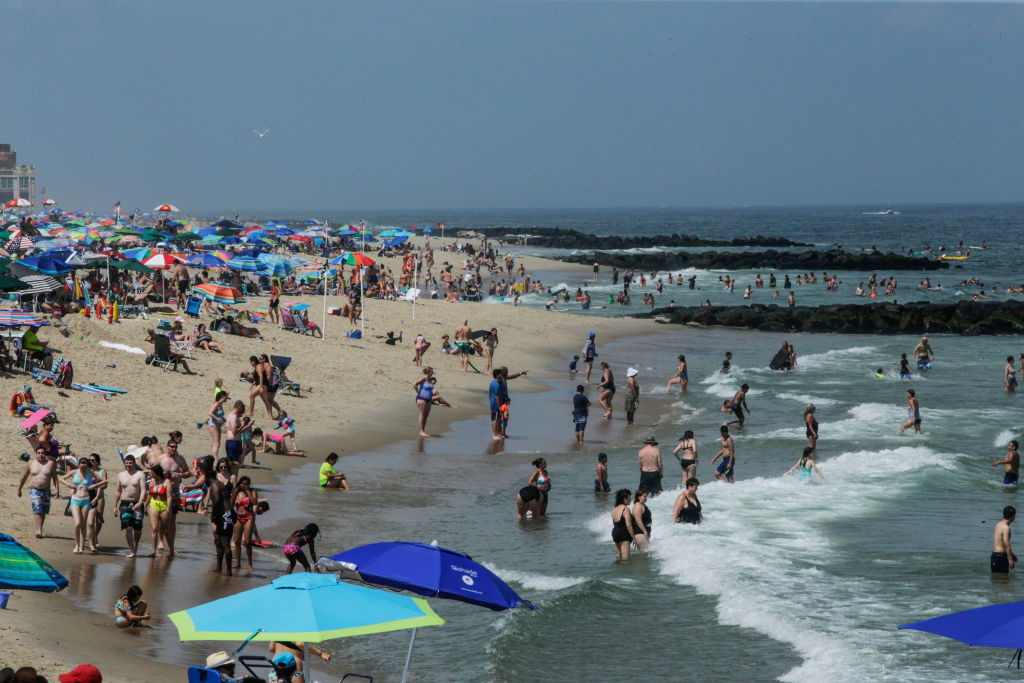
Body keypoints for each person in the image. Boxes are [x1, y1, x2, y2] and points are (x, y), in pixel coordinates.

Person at [61, 457, 106, 553]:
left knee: (83, 524)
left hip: (86, 500)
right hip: (75, 500)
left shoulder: (91, 473)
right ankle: (76, 545)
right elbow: (61, 478)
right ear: (79, 466)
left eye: (85, 467)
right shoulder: (75, 472)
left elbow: (104, 481)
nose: (83, 469)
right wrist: (68, 485)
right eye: (81, 467)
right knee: (77, 523)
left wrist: (94, 485)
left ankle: (81, 547)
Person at [17, 446, 57, 538]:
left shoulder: (50, 464)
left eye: (42, 453)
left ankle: (40, 528)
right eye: (38, 453)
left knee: (43, 511)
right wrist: (19, 488)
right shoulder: (31, 463)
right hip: (35, 489)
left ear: (45, 454)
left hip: (46, 490)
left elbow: (55, 477)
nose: (40, 455)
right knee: (37, 509)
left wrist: (57, 489)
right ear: (36, 454)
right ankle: (39, 530)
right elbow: (24, 476)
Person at [205, 457, 235, 574]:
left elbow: (217, 501)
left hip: (226, 515)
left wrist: (213, 517)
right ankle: (218, 568)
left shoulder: (215, 485)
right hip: (223, 515)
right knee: (218, 541)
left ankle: (228, 570)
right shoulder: (215, 483)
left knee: (225, 542)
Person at [114, 453, 146, 558]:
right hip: (124, 503)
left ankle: (135, 545)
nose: (128, 465)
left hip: (137, 502)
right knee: (127, 527)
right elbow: (118, 492)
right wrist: (115, 506)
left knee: (137, 529)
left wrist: (140, 503)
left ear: (134, 463)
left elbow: (143, 490)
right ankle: (132, 550)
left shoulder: (140, 474)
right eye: (127, 463)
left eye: (130, 463)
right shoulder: (121, 475)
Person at [231, 476, 260, 573]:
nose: (245, 485)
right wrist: (234, 493)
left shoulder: (252, 491)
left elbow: (254, 502)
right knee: (237, 542)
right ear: (240, 483)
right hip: (238, 517)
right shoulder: (236, 492)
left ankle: (250, 564)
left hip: (248, 517)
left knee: (247, 542)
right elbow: (230, 504)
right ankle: (238, 562)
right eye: (243, 483)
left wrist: (248, 491)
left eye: (247, 484)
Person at [146, 464, 172, 557]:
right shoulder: (152, 481)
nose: (150, 476)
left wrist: (168, 508)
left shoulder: (167, 481)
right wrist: (145, 506)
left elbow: (169, 497)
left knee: (166, 531)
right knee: (154, 529)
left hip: (164, 505)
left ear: (157, 474)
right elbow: (149, 494)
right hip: (154, 504)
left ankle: (172, 551)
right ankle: (153, 552)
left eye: (152, 474)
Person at [611, 489, 636, 560]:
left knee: (618, 557)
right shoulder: (625, 509)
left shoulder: (614, 509)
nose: (630, 500)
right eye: (629, 498)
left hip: (615, 533)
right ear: (625, 499)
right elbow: (629, 525)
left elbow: (614, 523)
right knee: (625, 558)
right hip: (624, 534)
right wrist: (634, 538)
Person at [993, 505, 1017, 574]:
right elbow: (1006, 544)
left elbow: (1000, 543)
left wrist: (1011, 554)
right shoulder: (1006, 527)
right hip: (1001, 557)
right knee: (1004, 581)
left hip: (994, 555)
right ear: (1013, 516)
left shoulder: (998, 524)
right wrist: (1010, 559)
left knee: (997, 579)